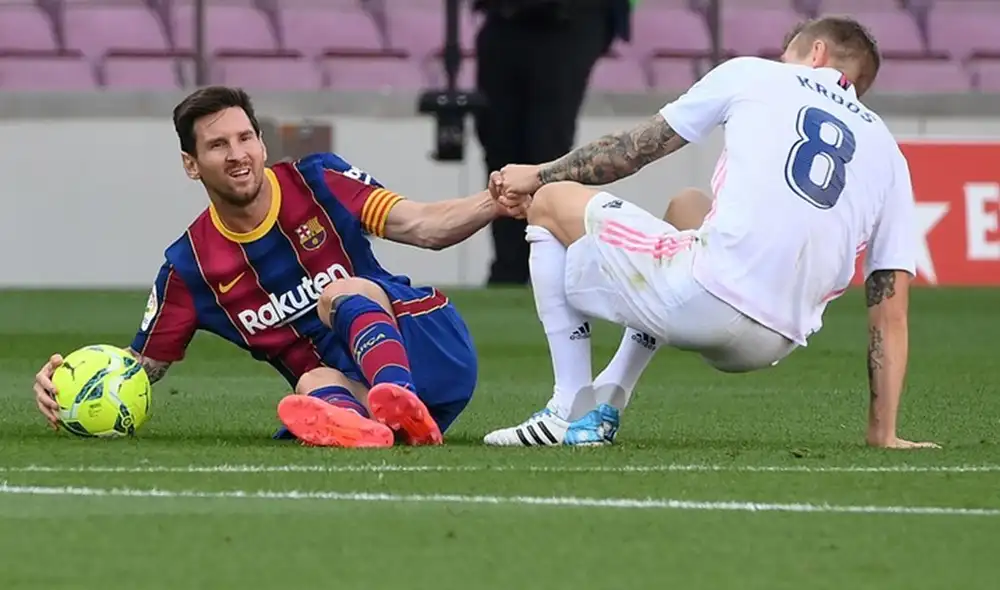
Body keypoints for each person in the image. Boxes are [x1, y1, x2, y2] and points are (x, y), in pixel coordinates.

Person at [482, 16, 939, 450]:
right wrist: (884, 431)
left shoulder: (754, 74)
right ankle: (609, 396)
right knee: (688, 206)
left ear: (815, 52)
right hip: (771, 343)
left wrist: (539, 175)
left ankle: (567, 409)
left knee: (552, 201)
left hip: (707, 299)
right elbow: (889, 306)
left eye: (788, 54)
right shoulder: (888, 152)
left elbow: (629, 152)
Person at [32, 86, 522, 448]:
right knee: (310, 382)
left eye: (245, 137)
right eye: (218, 145)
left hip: (428, 342)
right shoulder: (189, 267)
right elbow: (141, 368)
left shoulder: (319, 180)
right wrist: (73, 383)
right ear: (191, 164)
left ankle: (398, 395)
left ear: (262, 143)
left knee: (341, 292)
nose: (237, 154)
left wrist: (494, 201)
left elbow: (423, 225)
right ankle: (371, 428)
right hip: (351, 382)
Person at [473, 0, 630, 285]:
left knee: (549, 149)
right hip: (504, 17)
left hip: (570, 18)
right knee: (499, 145)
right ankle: (508, 271)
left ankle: (548, 268)